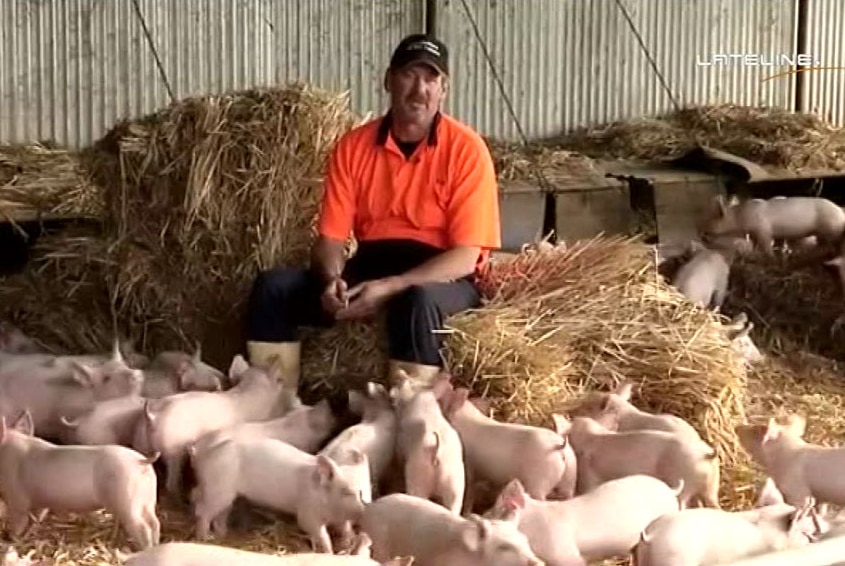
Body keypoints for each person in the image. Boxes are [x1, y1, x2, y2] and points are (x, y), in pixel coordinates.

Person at [245, 33, 501, 393]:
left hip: (443, 276)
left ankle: (412, 426)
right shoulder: (353, 147)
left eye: (431, 79)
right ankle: (271, 404)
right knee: (273, 288)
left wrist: (393, 286)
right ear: (388, 80)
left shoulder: (467, 150)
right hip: (373, 262)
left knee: (419, 302)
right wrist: (332, 281)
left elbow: (466, 257)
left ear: (444, 89)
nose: (420, 89)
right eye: (410, 75)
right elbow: (331, 240)